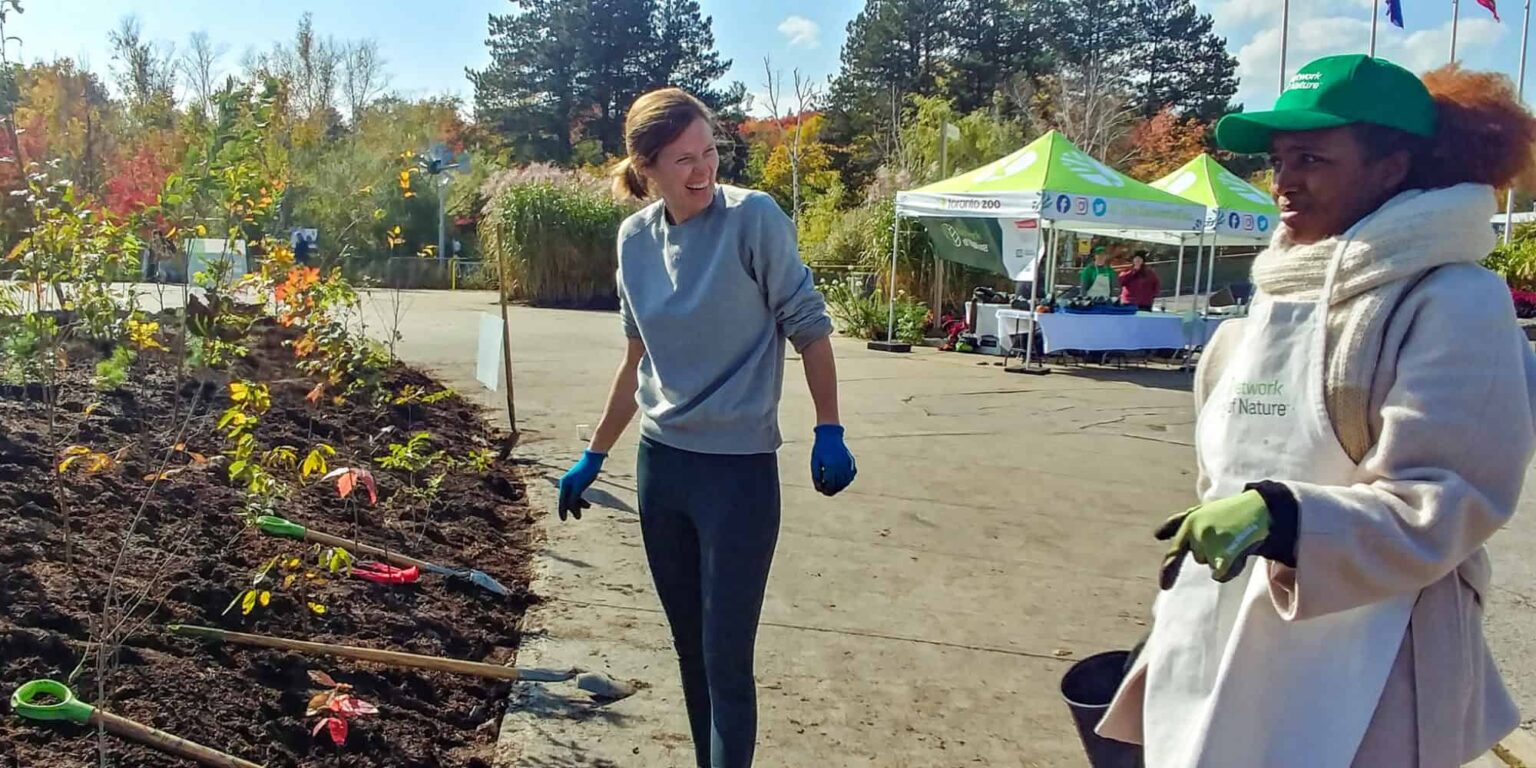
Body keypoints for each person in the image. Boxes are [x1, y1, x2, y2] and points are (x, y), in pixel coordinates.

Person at [1099, 55, 1536, 767]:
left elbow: (1452, 501)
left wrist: (1286, 518)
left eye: (1312, 158)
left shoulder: (1454, 300)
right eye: (1278, 159)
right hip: (1222, 641)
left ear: (1392, 169)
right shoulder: (1274, 292)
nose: (1285, 182)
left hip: (1367, 660)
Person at [555, 87, 857, 768]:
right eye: (683, 159)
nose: (703, 171)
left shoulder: (754, 220)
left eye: (710, 152)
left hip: (738, 478)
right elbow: (637, 361)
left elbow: (809, 330)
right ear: (647, 168)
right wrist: (594, 455)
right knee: (690, 655)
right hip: (663, 472)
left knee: (726, 661)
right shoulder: (634, 240)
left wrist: (828, 427)